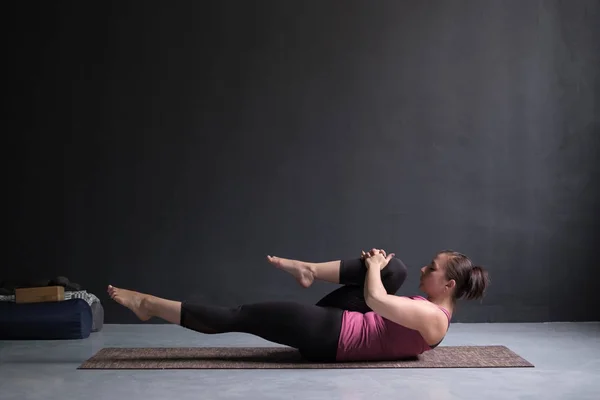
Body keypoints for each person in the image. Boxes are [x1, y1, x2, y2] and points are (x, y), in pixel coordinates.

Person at [107, 248, 489, 362]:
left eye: (433, 268)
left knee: (240, 316)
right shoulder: (431, 310)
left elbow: (375, 299)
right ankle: (308, 270)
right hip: (343, 321)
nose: (426, 268)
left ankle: (149, 305)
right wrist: (378, 269)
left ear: (448, 284)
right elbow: (378, 301)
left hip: (330, 335)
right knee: (398, 268)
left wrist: (372, 266)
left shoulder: (432, 318)